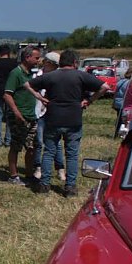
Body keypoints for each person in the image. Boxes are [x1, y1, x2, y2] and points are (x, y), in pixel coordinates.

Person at [27, 49, 108, 196]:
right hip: (73, 120)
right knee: (71, 155)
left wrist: (41, 98)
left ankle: (44, 184)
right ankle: (70, 187)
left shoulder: (51, 76)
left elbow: (28, 85)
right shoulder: (81, 76)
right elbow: (105, 87)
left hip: (53, 118)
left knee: (49, 152)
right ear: (75, 62)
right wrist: (89, 100)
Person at [3, 46, 41, 185]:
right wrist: (16, 113)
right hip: (19, 116)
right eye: (36, 58)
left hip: (31, 115)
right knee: (16, 145)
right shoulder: (16, 73)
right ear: (27, 57)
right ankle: (13, 176)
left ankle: (29, 174)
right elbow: (7, 95)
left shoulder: (30, 74)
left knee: (32, 146)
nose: (38, 60)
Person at [31, 52, 65, 182]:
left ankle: (60, 168)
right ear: (47, 63)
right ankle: (38, 167)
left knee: (57, 143)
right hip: (39, 113)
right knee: (39, 142)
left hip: (53, 113)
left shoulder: (58, 77)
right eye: (54, 65)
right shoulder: (37, 76)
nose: (57, 68)